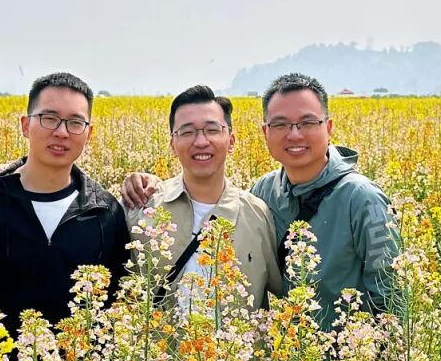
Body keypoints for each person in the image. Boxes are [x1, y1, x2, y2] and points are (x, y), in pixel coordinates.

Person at [123, 73, 399, 330]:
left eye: (307, 123)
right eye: (281, 124)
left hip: (347, 354)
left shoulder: (362, 198)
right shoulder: (264, 193)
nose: (294, 134)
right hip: (289, 356)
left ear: (328, 127)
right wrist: (147, 185)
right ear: (266, 132)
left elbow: (390, 295)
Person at [0, 72, 130, 334]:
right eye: (49, 118)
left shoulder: (106, 211)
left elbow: (116, 302)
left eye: (75, 123)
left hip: (78, 360)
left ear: (89, 133)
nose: (61, 132)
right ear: (25, 125)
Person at [128, 84, 282, 315]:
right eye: (187, 132)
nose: (201, 141)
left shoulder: (259, 215)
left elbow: (283, 294)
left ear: (231, 141)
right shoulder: (141, 207)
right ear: (172, 144)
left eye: (212, 130)